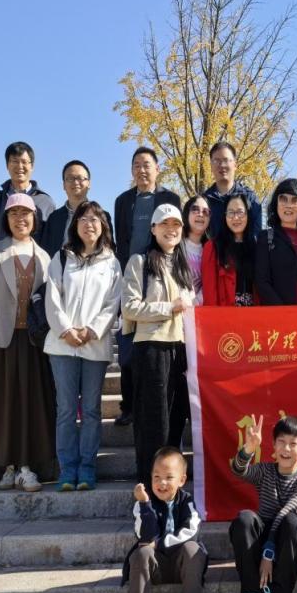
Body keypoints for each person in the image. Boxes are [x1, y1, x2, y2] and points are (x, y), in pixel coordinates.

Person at [0, 193, 55, 492]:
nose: (21, 219)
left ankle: (27, 467)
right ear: (6, 219)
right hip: (1, 340)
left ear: (35, 218)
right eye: (14, 213)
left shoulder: (44, 256)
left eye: (26, 213)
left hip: (34, 343)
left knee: (30, 404)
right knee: (4, 404)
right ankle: (6, 465)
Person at [44, 201, 122, 491]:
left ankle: (87, 468)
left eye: (95, 219)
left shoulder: (112, 263)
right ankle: (67, 470)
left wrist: (91, 330)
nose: (89, 224)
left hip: (95, 345)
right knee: (66, 409)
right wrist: (66, 329)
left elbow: (113, 303)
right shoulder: (62, 258)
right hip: (62, 345)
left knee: (90, 410)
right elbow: (52, 296)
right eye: (84, 219)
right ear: (74, 225)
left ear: (103, 226)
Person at [121, 204, 195, 483]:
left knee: (175, 420)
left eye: (176, 224)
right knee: (153, 423)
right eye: (164, 224)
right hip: (151, 348)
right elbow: (129, 307)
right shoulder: (139, 262)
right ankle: (150, 485)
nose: (171, 229)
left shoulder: (182, 264)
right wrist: (169, 307)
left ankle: (172, 485)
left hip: (180, 349)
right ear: (153, 229)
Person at [113, 147, 181, 429]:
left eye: (147, 165)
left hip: (162, 271)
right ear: (132, 170)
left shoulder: (170, 198)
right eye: (137, 165)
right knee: (127, 343)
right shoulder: (123, 201)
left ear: (157, 168)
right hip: (133, 274)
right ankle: (129, 405)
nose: (142, 170)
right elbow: (122, 239)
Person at [229, 415, 297, 593]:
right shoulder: (265, 471)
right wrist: (249, 449)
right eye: (281, 442)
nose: (286, 449)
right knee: (244, 519)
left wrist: (268, 552)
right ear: (274, 445)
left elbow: (288, 511)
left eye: (293, 443)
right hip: (263, 543)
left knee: (292, 521)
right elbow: (238, 470)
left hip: (289, 547)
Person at [120, 447, 208, 593]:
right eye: (156, 477)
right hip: (155, 568)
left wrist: (159, 543)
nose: (162, 483)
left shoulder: (187, 502)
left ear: (182, 480)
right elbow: (145, 537)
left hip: (181, 566)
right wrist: (145, 505)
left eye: (169, 477)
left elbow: (191, 532)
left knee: (193, 548)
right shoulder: (143, 504)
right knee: (142, 552)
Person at [255, 179, 297, 305]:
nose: (288, 205)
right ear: (276, 203)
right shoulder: (266, 239)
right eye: (283, 199)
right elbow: (262, 282)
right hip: (275, 314)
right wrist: (284, 312)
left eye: (295, 200)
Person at [0, 141, 56, 245]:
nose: (20, 166)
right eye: (15, 161)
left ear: (32, 166)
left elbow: (50, 240)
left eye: (24, 162)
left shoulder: (45, 202)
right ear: (7, 165)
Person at [203, 193, 257, 306]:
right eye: (231, 212)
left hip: (254, 314)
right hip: (226, 314)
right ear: (224, 216)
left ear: (248, 214)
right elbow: (209, 294)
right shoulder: (212, 247)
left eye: (240, 212)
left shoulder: (257, 246)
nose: (235, 218)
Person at [39, 160, 102, 256]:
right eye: (70, 179)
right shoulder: (54, 218)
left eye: (80, 178)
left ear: (89, 183)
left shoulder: (101, 216)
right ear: (64, 185)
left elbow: (108, 248)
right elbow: (45, 252)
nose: (76, 182)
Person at [203, 140, 263, 238]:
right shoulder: (204, 201)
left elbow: (256, 236)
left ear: (235, 165)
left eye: (226, 160)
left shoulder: (250, 198)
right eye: (216, 161)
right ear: (211, 166)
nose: (222, 165)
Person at [181, 195, 211, 306]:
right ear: (186, 213)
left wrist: (195, 303)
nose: (200, 214)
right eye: (195, 209)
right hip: (175, 307)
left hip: (198, 310)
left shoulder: (211, 250)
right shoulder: (175, 245)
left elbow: (209, 284)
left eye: (205, 212)